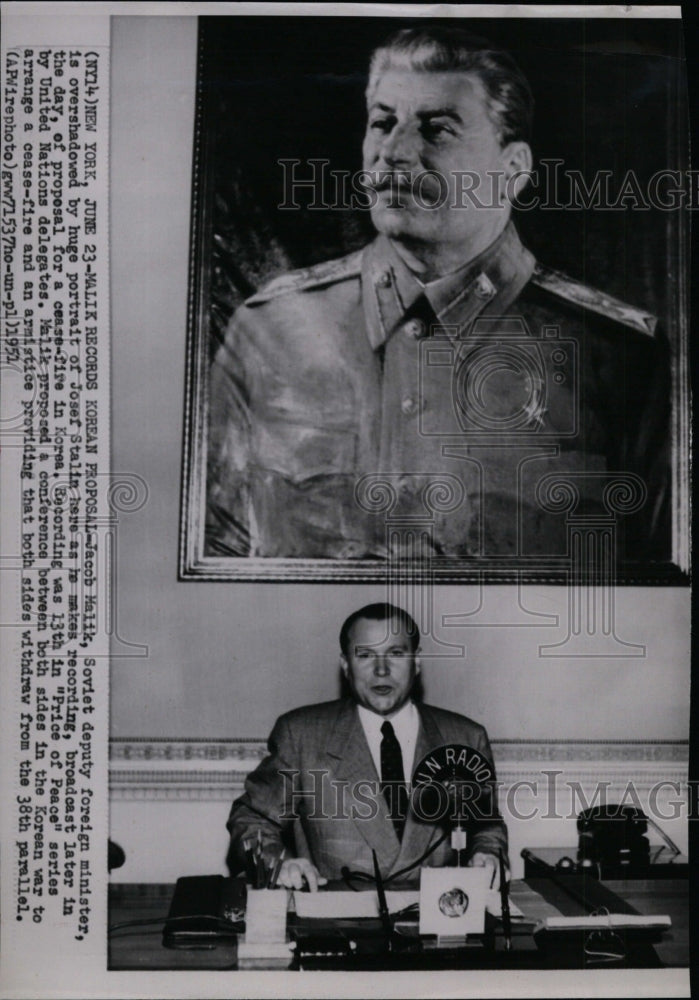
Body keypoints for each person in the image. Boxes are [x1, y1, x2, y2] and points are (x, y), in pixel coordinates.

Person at [206, 26, 669, 561]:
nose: (394, 153)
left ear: (512, 170)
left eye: (437, 130)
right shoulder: (268, 332)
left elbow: (659, 598)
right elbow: (213, 564)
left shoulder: (617, 357)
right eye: (383, 123)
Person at [227, 603, 508, 891]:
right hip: (336, 923)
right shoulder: (301, 735)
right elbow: (251, 820)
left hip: (441, 922)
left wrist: (486, 854)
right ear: (345, 664)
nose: (381, 670)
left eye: (396, 654)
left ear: (417, 662)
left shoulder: (465, 737)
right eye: (365, 655)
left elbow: (485, 827)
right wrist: (279, 862)